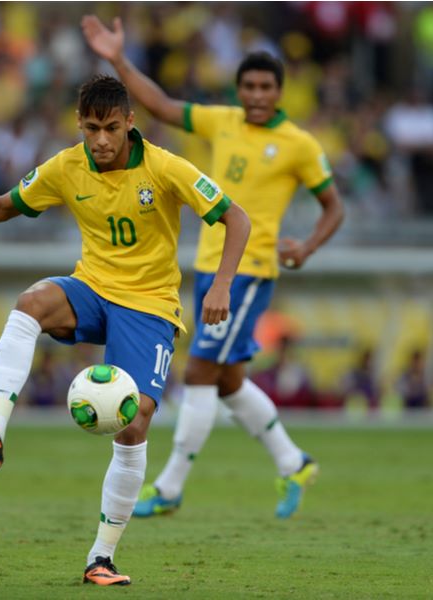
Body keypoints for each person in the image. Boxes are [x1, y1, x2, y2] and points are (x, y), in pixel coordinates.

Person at [0, 75, 250, 586]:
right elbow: (6, 204)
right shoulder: (67, 166)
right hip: (91, 288)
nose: (101, 140)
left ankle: (102, 558)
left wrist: (221, 285)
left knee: (134, 427)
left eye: (111, 127)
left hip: (149, 306)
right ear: (79, 124)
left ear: (130, 123)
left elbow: (236, 218)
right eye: (91, 128)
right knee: (30, 303)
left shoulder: (164, 167)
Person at [82, 16, 345, 519]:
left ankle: (170, 486)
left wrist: (308, 246)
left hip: (249, 271)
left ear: (280, 91)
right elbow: (158, 105)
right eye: (249, 86)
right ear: (239, 89)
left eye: (267, 86)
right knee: (225, 380)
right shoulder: (222, 121)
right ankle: (294, 463)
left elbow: (335, 206)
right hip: (210, 266)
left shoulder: (300, 144)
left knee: (200, 370)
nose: (257, 94)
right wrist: (116, 58)